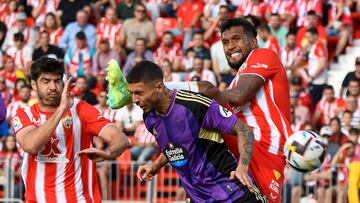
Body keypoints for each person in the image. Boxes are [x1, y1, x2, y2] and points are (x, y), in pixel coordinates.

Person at [106, 18, 292, 203]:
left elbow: (239, 95)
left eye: (236, 39)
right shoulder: (237, 77)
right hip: (240, 148)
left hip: (266, 148)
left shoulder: (264, 55)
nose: (229, 47)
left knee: (207, 90)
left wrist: (158, 89)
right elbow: (179, 141)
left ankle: (131, 92)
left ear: (253, 41)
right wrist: (156, 165)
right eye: (225, 42)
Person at [128, 60, 266, 202]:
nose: (134, 99)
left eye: (139, 93)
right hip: (197, 198)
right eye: (131, 93)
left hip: (233, 193)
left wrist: (242, 167)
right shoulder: (149, 117)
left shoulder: (195, 105)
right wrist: (156, 165)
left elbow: (244, 131)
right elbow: (177, 145)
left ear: (159, 88)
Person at [12, 56, 129, 202]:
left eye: (57, 81)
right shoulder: (24, 114)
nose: (53, 87)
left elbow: (121, 139)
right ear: (34, 85)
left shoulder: (81, 109)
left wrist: (107, 153)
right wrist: (61, 109)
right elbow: (31, 146)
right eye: (46, 81)